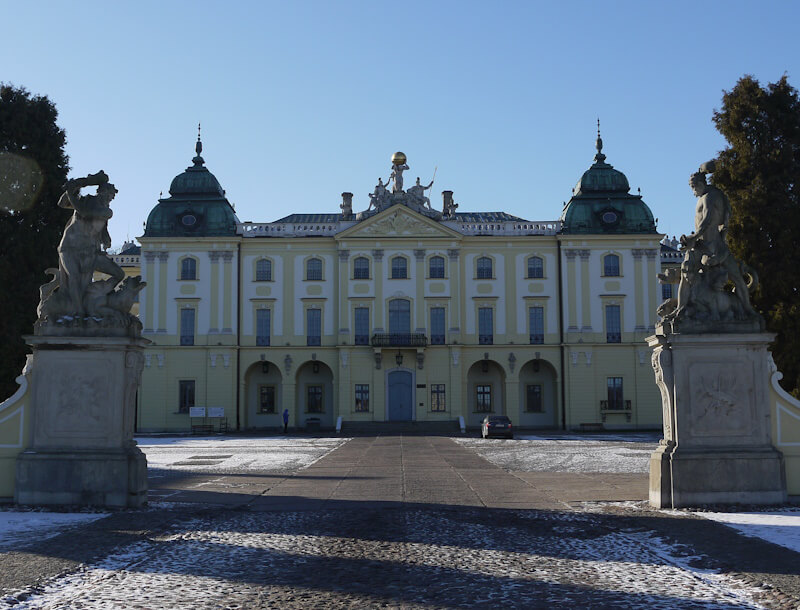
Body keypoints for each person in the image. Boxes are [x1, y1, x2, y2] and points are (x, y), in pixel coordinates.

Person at [672, 163, 755, 320]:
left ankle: (748, 309)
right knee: (685, 274)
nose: (693, 191)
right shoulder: (703, 197)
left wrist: (693, 237)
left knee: (737, 277)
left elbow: (708, 219)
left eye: (693, 187)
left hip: (714, 246)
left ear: (701, 184)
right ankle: (680, 309)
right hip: (701, 245)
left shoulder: (711, 196)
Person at [56, 171, 125, 315]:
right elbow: (62, 203)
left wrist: (72, 192)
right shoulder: (85, 200)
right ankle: (79, 312)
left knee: (119, 274)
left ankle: (96, 294)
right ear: (101, 192)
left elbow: (85, 213)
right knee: (74, 278)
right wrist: (78, 185)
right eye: (110, 194)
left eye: (112, 195)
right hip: (70, 247)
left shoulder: (106, 211)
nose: (111, 197)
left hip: (90, 251)